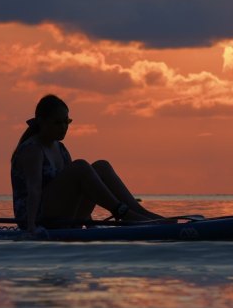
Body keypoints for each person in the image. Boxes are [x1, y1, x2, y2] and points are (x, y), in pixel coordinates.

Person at [10, 94, 166, 234]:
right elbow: (34, 189)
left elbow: (81, 188)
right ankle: (124, 214)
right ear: (41, 122)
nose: (64, 127)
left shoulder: (60, 148)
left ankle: (142, 214)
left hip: (61, 214)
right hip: (37, 217)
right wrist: (31, 227)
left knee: (101, 167)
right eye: (58, 123)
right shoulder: (32, 150)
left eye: (66, 122)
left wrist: (89, 225)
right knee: (80, 166)